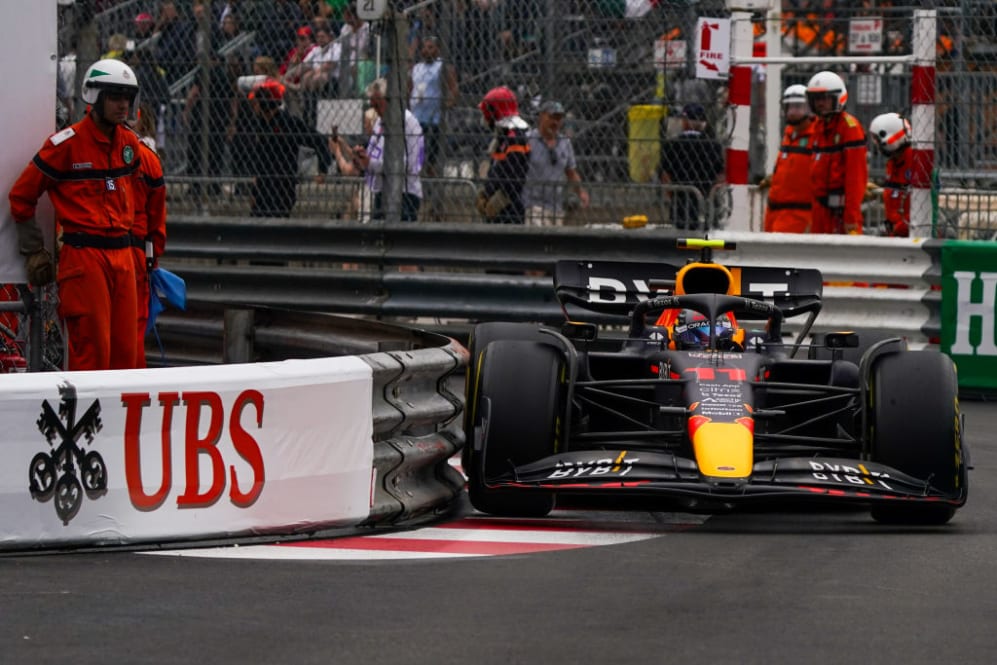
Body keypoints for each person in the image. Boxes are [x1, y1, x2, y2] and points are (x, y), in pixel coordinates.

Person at [9, 58, 143, 371]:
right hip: (85, 259)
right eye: (115, 96)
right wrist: (33, 251)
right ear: (94, 96)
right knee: (92, 353)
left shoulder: (130, 146)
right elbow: (21, 195)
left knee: (127, 355)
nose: (123, 105)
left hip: (123, 257)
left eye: (127, 97)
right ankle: (87, 422)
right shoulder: (65, 145)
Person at [331, 78, 425, 221]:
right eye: (372, 105)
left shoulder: (409, 123)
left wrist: (372, 163)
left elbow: (410, 165)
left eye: (378, 105)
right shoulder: (380, 122)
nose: (375, 110)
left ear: (390, 101)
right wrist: (362, 156)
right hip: (381, 191)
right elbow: (372, 156)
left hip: (404, 193)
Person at [246, 79, 332, 218]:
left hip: (282, 186)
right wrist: (254, 191)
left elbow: (319, 140)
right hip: (262, 187)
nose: (253, 106)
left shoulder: (289, 123)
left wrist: (322, 169)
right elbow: (257, 159)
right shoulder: (258, 125)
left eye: (256, 102)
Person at [127, 106, 167, 367]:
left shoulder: (146, 158)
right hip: (130, 253)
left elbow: (156, 218)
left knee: (130, 337)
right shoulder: (148, 157)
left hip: (132, 253)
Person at [806, 71, 868, 234]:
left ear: (837, 98)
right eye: (817, 99)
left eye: (825, 98)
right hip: (820, 212)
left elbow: (856, 177)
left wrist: (851, 216)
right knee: (817, 257)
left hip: (840, 214)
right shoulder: (819, 126)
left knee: (846, 258)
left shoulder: (849, 128)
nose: (820, 104)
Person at [522, 100, 589, 227]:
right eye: (552, 117)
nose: (555, 122)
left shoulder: (565, 143)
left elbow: (571, 172)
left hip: (555, 206)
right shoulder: (528, 139)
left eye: (559, 119)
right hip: (532, 205)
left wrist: (580, 192)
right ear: (542, 116)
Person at [659, 103, 725, 231]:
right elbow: (720, 177)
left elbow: (666, 177)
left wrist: (672, 195)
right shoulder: (713, 146)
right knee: (705, 234)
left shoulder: (672, 145)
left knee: (680, 236)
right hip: (706, 202)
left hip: (680, 203)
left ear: (684, 121)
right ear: (703, 123)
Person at [762, 84, 816, 233]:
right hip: (775, 210)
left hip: (799, 213)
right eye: (789, 107)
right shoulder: (789, 135)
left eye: (798, 107)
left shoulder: (817, 136)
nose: (792, 112)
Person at [476, 86, 531, 224]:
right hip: (498, 206)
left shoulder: (515, 138)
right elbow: (496, 171)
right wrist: (486, 193)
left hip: (510, 209)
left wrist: (499, 200)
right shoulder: (502, 137)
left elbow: (515, 177)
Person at [408, 35, 458, 179]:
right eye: (424, 47)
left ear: (438, 50)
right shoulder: (417, 68)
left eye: (430, 47)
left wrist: (447, 104)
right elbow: (410, 88)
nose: (426, 50)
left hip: (434, 118)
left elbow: (453, 89)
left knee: (431, 156)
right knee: (415, 151)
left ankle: (431, 182)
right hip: (416, 116)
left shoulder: (443, 67)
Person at [869, 112, 912, 237]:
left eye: (878, 141)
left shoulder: (916, 161)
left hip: (909, 234)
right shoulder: (893, 163)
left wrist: (898, 227)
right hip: (896, 232)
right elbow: (895, 194)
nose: (877, 146)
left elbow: (923, 206)